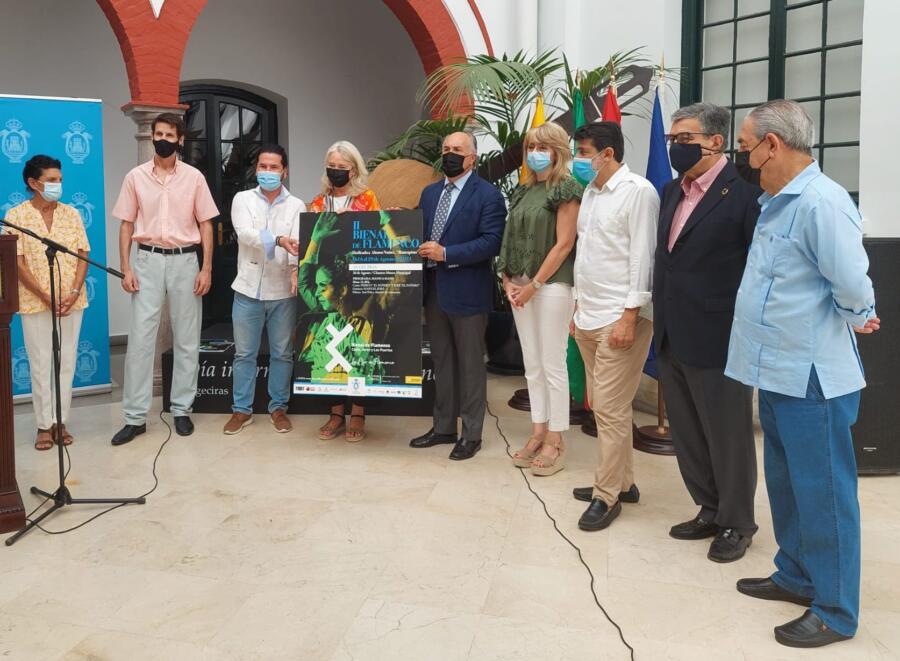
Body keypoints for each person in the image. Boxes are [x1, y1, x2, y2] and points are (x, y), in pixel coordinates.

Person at [727, 100, 879, 648]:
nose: (742, 157)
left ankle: (836, 610)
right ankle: (796, 574)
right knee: (787, 483)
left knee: (825, 494)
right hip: (775, 366)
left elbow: (851, 279)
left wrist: (861, 317)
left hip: (812, 373)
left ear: (774, 144)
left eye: (746, 147)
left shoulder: (822, 202)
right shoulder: (776, 201)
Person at [649, 102, 761, 563]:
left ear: (715, 141)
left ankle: (737, 521)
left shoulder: (745, 195)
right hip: (673, 332)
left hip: (720, 335)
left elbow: (757, 269)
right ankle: (709, 508)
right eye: (672, 139)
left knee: (727, 434)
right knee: (689, 431)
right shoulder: (672, 190)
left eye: (685, 138)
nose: (675, 146)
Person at [569, 121, 658, 531]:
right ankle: (625, 482)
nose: (578, 160)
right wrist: (576, 308)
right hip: (588, 314)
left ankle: (607, 496)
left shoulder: (638, 192)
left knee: (607, 410)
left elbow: (642, 257)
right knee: (610, 408)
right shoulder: (590, 192)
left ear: (608, 154)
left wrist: (630, 316)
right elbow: (586, 254)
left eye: (584, 152)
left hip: (620, 318)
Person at [110, 112, 218, 445]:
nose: (163, 140)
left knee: (187, 337)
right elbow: (126, 224)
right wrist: (126, 267)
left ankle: (181, 409)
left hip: (186, 260)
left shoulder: (195, 178)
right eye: (158, 134)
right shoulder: (135, 177)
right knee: (141, 340)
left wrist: (207, 268)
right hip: (147, 260)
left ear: (180, 140)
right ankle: (135, 417)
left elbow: (206, 224)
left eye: (170, 135)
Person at [409, 131, 506, 461]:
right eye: (446, 149)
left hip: (468, 292)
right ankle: (443, 427)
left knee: (470, 365)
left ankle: (472, 434)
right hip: (433, 290)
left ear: (472, 158)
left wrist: (446, 252)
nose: (450, 154)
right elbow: (419, 234)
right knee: (443, 361)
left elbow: (491, 243)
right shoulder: (429, 193)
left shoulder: (488, 196)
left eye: (457, 150)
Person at [497, 121, 580, 476]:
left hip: (552, 286)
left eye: (543, 148)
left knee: (553, 364)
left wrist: (535, 284)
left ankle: (556, 439)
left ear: (558, 152)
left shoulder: (567, 188)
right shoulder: (524, 189)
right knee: (531, 364)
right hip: (519, 284)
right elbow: (509, 236)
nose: (535, 153)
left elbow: (564, 244)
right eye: (531, 147)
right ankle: (537, 430)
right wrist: (506, 278)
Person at [2, 155, 89, 450]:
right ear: (33, 183)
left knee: (66, 362)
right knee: (41, 364)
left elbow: (82, 255)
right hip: (35, 301)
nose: (57, 185)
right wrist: (46, 296)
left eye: (60, 180)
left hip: (71, 301)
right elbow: (18, 262)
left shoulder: (71, 214)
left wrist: (74, 292)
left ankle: (61, 420)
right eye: (52, 180)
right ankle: (43, 425)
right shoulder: (16, 216)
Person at [223, 144, 304, 435]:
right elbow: (245, 234)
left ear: (284, 171)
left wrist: (295, 269)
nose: (267, 172)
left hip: (283, 291)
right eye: (262, 167)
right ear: (256, 169)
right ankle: (241, 410)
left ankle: (278, 407)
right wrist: (280, 240)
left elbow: (299, 244)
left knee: (282, 353)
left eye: (273, 167)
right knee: (244, 353)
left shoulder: (296, 205)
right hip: (247, 290)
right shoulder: (242, 199)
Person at [305, 140, 381, 442]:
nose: (336, 172)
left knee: (357, 350)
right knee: (329, 350)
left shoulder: (367, 199)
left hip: (359, 288)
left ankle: (358, 414)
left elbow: (378, 236)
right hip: (327, 289)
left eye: (342, 168)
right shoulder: (317, 203)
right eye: (332, 167)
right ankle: (336, 413)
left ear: (354, 169)